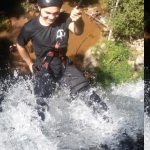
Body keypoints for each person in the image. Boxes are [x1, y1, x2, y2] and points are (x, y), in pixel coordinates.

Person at [16, 0, 107, 120]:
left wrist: (77, 19)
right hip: (43, 67)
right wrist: (29, 63)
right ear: (38, 7)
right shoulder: (30, 27)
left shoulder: (64, 18)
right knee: (41, 103)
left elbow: (78, 31)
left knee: (89, 94)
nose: (52, 17)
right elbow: (20, 44)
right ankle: (35, 131)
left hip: (64, 65)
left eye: (56, 13)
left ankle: (109, 123)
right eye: (47, 13)